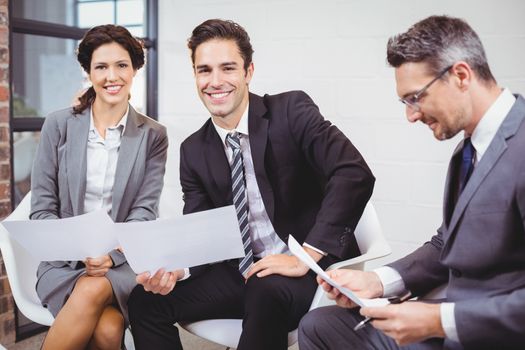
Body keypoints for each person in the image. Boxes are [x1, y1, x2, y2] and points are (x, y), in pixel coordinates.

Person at [127, 19, 375, 350]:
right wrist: (176, 270)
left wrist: (305, 256)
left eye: (227, 68)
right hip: (241, 273)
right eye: (204, 70)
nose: (215, 82)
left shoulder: (291, 110)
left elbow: (353, 172)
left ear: (248, 72)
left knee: (265, 287)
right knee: (145, 301)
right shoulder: (194, 150)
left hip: (307, 272)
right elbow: (203, 234)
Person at [298, 15, 525, 350]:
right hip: (448, 317)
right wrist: (377, 281)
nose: (411, 115)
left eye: (415, 97)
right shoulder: (468, 150)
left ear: (461, 75)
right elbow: (445, 243)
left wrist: (437, 321)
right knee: (319, 324)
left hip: (490, 333)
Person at [31, 24, 168, 350]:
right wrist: (82, 252)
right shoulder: (58, 125)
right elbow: (42, 208)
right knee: (107, 330)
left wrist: (108, 256)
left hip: (122, 263)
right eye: (101, 67)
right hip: (62, 263)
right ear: (88, 72)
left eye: (121, 65)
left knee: (94, 294)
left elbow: (144, 212)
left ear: (135, 69)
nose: (112, 76)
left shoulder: (153, 135)